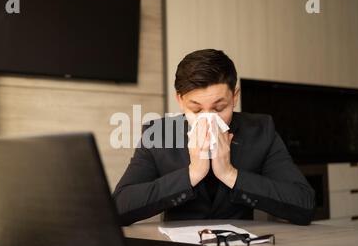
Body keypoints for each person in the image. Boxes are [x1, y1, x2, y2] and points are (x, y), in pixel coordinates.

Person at [113, 49, 315, 226]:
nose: (208, 119)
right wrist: (192, 174)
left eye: (219, 108)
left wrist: (230, 174)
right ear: (180, 101)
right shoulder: (158, 134)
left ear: (234, 97)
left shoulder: (261, 131)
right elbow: (119, 207)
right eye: (196, 109)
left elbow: (304, 204)